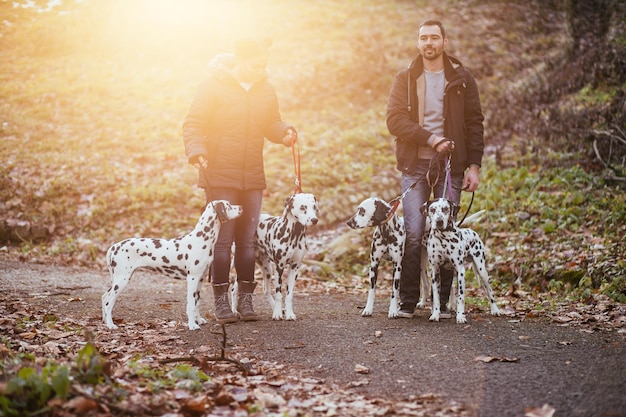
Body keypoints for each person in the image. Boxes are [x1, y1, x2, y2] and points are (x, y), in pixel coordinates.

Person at [183, 37, 296, 324]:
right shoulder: (214, 85)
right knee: (222, 241)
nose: (261, 70)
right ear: (240, 60)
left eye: (264, 65)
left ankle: (245, 301)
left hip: (252, 176)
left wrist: (283, 132)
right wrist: (197, 151)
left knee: (247, 241)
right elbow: (193, 123)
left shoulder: (265, 89)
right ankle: (221, 302)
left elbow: (270, 122)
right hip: (219, 172)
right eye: (255, 64)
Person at [386, 19, 485, 318]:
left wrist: (474, 166)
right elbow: (394, 121)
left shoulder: (462, 79)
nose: (428, 43)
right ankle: (408, 301)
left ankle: (440, 305)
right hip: (415, 166)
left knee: (447, 232)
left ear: (444, 41)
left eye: (434, 37)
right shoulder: (405, 78)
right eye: (423, 38)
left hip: (451, 166)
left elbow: (474, 123)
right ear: (418, 43)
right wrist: (430, 138)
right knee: (414, 233)